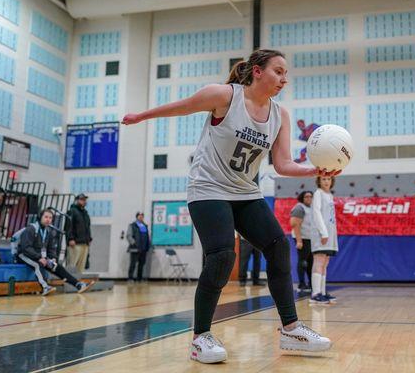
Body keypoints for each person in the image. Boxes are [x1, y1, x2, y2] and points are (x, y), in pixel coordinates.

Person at [122, 49, 340, 364]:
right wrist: (141, 117)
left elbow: (282, 164)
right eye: (278, 71)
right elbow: (181, 108)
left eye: (285, 73)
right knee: (223, 256)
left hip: (246, 192)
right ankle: (200, 337)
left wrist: (314, 170)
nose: (284, 79)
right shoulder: (225, 96)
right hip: (208, 188)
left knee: (278, 246)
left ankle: (291, 329)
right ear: (256, 72)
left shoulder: (281, 114)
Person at [16, 208, 94, 296]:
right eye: (46, 217)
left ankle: (78, 284)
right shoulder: (31, 229)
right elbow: (25, 248)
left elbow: (51, 249)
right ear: (40, 217)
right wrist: (39, 258)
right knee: (38, 264)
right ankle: (45, 287)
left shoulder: (48, 231)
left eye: (50, 218)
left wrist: (52, 258)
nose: (48, 219)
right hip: (23, 255)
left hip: (38, 256)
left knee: (57, 267)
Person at [310, 176, 338, 305]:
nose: (326, 181)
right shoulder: (318, 193)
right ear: (319, 181)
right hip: (321, 233)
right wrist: (323, 232)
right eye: (324, 179)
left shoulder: (329, 195)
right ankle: (315, 294)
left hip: (330, 233)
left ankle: (322, 291)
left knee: (325, 262)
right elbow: (316, 213)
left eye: (328, 179)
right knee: (319, 260)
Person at [289, 191, 314, 293]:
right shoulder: (299, 208)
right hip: (302, 238)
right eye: (306, 197)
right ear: (302, 198)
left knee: (310, 262)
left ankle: (311, 284)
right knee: (302, 262)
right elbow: (295, 224)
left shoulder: (311, 208)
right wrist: (299, 241)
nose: (309, 198)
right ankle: (301, 284)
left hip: (310, 238)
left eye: (311, 197)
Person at [65, 194, 92, 273]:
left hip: (84, 243)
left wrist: (89, 239)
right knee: (72, 265)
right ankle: (69, 283)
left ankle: (79, 283)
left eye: (85, 200)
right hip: (75, 243)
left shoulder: (85, 213)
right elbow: (68, 226)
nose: (84, 201)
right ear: (76, 200)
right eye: (82, 199)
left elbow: (88, 227)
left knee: (81, 267)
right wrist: (70, 238)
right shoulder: (72, 211)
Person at [126, 212, 151, 282]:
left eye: (142, 216)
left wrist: (148, 245)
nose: (141, 217)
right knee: (133, 264)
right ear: (136, 217)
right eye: (139, 216)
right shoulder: (132, 225)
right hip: (135, 248)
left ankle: (139, 278)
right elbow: (128, 235)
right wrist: (133, 243)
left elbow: (146, 236)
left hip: (143, 249)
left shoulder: (145, 226)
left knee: (141, 264)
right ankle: (130, 278)